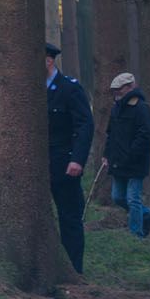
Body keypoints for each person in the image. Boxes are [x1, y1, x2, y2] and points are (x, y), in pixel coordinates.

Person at [45, 43, 94, 273]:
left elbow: (84, 125)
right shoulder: (30, 91)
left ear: (49, 61)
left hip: (65, 165)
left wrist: (77, 159)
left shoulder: (69, 89)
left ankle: (74, 269)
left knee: (69, 218)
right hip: (39, 167)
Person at [103, 72, 150, 238]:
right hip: (118, 161)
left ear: (130, 87)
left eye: (120, 89)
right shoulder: (115, 108)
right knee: (118, 197)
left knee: (133, 199)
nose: (117, 92)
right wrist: (106, 155)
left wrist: (132, 153)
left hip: (135, 163)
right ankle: (147, 213)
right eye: (115, 89)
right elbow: (110, 134)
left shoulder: (141, 107)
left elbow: (147, 134)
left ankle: (136, 235)